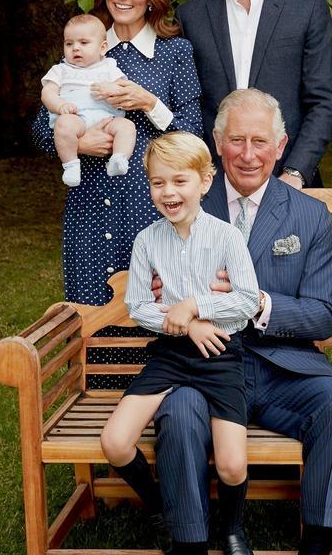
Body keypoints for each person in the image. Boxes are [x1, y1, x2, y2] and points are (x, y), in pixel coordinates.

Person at [152, 89, 332, 555]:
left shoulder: (308, 216)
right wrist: (166, 294)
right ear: (216, 142)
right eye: (236, 140)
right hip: (202, 366)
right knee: (178, 413)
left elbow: (324, 314)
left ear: (281, 145)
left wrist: (258, 304)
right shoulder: (183, 204)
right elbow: (157, 286)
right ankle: (191, 540)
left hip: (282, 368)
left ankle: (317, 543)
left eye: (259, 141)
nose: (248, 155)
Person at [100, 132, 259, 553]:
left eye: (179, 181)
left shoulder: (227, 237)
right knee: (115, 441)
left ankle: (231, 526)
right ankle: (159, 508)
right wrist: (187, 325)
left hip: (221, 353)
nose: (168, 192)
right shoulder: (147, 241)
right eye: (158, 183)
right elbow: (138, 306)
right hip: (171, 354)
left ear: (205, 181)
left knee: (231, 464)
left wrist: (193, 305)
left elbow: (244, 301)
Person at [32, 0, 203, 305]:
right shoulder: (83, 46)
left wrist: (150, 103)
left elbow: (193, 132)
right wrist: (78, 145)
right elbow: (38, 128)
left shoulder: (174, 52)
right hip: (89, 207)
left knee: (155, 315)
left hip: (151, 207)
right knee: (90, 316)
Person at [176, 0, 332, 189]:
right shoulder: (191, 16)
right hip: (213, 185)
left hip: (288, 181)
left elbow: (323, 102)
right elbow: (188, 104)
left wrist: (296, 172)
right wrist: (203, 171)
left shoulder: (307, 10)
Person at [41, 14, 134, 187]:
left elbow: (124, 88)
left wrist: (113, 88)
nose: (75, 48)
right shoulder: (60, 70)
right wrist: (60, 106)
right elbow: (47, 93)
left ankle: (119, 158)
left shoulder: (110, 67)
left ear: (102, 47)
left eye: (83, 43)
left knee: (127, 127)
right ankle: (70, 165)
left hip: (107, 118)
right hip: (75, 118)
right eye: (69, 43)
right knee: (64, 125)